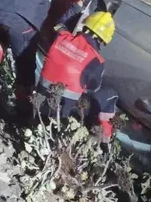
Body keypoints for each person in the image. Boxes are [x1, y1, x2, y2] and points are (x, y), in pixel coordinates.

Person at [37, 11, 119, 143]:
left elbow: (59, 24)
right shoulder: (97, 61)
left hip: (39, 100)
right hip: (62, 113)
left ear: (85, 26)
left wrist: (78, 6)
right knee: (111, 95)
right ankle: (103, 141)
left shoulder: (61, 36)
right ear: (103, 41)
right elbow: (92, 89)